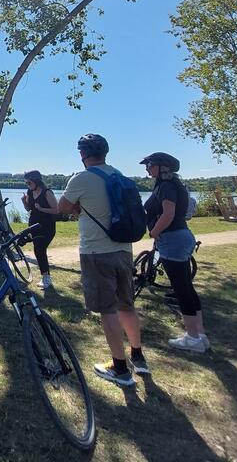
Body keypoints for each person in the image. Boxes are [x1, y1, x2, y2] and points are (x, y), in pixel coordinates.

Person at [58, 134, 148, 387]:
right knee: (126, 305)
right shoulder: (118, 175)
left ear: (82, 155)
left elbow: (61, 206)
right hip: (123, 250)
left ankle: (119, 368)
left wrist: (78, 207)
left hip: (96, 252)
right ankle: (138, 356)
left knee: (108, 309)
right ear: (105, 153)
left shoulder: (82, 178)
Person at [141, 152, 209, 353]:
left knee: (181, 289)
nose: (147, 168)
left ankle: (193, 337)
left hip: (172, 239)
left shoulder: (167, 186)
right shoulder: (172, 184)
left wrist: (154, 231)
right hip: (181, 236)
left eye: (150, 164)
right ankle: (200, 333)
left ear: (163, 167)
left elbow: (168, 213)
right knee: (186, 286)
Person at [21, 170, 59, 290]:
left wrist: (42, 208)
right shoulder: (30, 192)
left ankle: (46, 278)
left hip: (47, 227)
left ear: (36, 181)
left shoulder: (47, 193)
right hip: (34, 226)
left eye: (29, 182)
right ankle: (45, 277)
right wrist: (23, 202)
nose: (28, 185)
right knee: (38, 249)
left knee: (40, 249)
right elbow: (29, 209)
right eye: (26, 183)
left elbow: (56, 210)